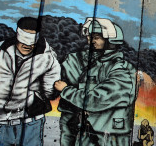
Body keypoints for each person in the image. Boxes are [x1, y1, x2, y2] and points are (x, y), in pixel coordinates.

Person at [55, 18, 136, 146]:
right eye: (89, 37)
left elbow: (97, 100)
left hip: (110, 137)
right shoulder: (89, 65)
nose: (91, 41)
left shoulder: (123, 70)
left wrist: (66, 90)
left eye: (96, 37)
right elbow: (71, 110)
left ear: (110, 40)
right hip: (87, 133)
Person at [0, 17, 60, 145]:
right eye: (24, 41)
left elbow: (50, 89)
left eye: (31, 42)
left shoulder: (47, 57)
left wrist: (38, 97)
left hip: (29, 122)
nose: (27, 46)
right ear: (18, 34)